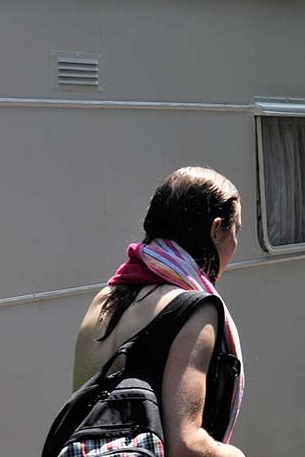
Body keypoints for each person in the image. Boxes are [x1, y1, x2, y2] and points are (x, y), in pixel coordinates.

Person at [73, 167, 247, 457]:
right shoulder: (195, 310)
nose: (235, 244)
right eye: (235, 230)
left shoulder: (104, 300)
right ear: (216, 229)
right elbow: (186, 446)